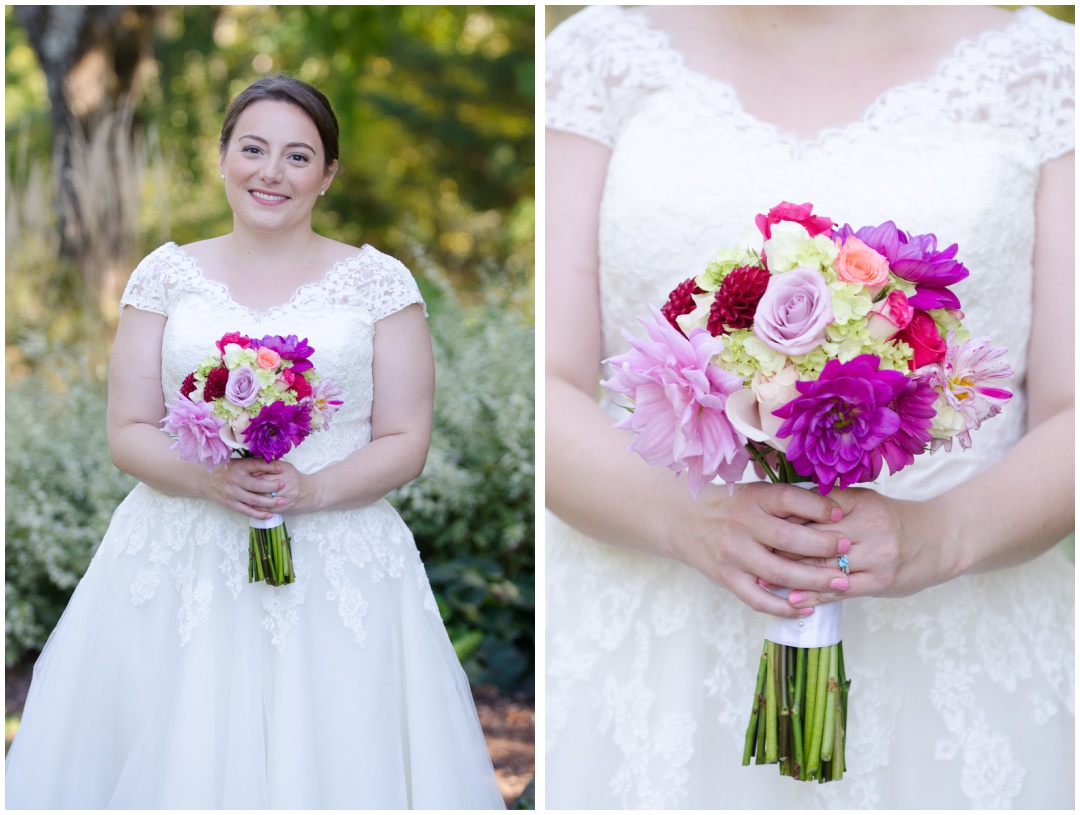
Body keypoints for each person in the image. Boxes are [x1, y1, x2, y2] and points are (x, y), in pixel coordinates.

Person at [545, 5, 1073, 808]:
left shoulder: (1050, 68)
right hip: (653, 634)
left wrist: (941, 536)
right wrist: (687, 521)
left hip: (967, 621)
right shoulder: (595, 57)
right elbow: (546, 380)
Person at [5, 75, 505, 809]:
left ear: (328, 175)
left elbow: (405, 438)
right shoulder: (164, 276)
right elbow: (128, 431)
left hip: (338, 557)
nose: (271, 172)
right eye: (254, 148)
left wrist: (312, 489)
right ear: (223, 157)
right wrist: (208, 479)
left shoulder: (379, 284)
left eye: (298, 156)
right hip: (178, 555)